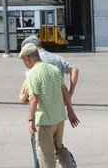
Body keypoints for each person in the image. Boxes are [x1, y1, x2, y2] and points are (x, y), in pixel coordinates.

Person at [18, 38, 79, 168]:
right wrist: (71, 112)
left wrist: (31, 119)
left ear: (28, 59)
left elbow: (33, 98)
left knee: (46, 158)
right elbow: (65, 92)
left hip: (45, 122)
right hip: (59, 119)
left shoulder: (33, 73)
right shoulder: (54, 70)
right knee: (59, 148)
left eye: (23, 60)